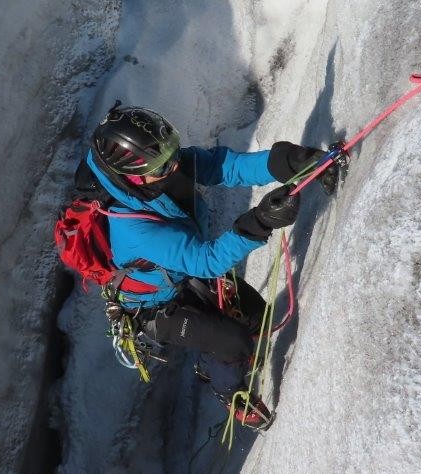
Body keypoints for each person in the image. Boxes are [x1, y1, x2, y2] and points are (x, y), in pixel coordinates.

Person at [77, 101, 343, 376]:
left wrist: (288, 161)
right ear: (131, 178)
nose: (174, 166)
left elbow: (224, 167)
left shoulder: (163, 168)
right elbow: (207, 261)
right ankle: (228, 389)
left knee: (258, 318)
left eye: (172, 154)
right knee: (235, 344)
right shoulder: (134, 230)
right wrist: (261, 220)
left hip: (182, 272)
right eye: (161, 167)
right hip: (155, 305)